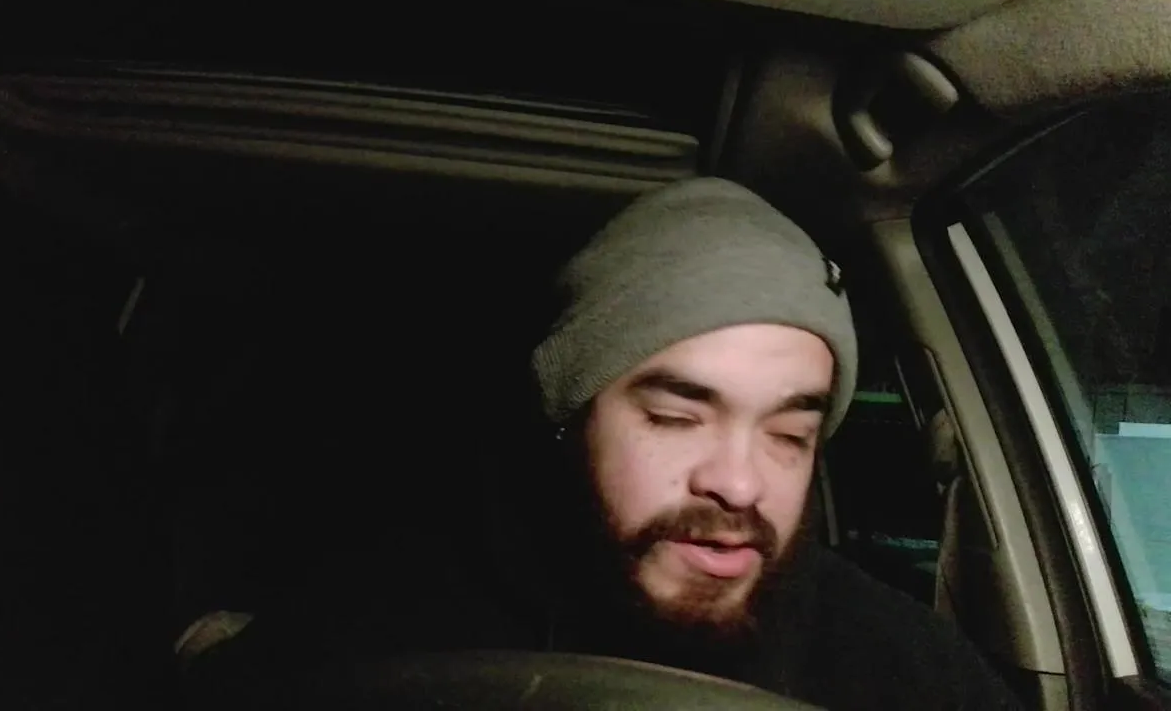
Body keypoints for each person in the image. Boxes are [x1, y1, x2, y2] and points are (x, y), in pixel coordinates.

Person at [179, 177, 1022, 711]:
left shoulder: (907, 670)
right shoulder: (380, 623)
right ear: (572, 415)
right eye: (675, 418)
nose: (739, 484)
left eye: (790, 434)